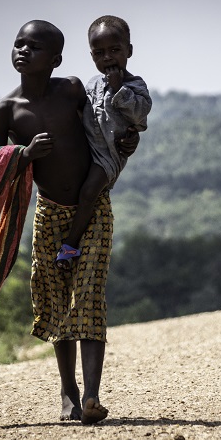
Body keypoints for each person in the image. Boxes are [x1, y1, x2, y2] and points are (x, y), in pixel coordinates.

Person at [0, 19, 137, 425]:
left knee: (87, 295)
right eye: (18, 44)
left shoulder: (71, 89)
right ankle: (68, 393)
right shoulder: (5, 111)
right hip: (50, 214)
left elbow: (104, 123)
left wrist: (129, 137)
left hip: (94, 211)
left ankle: (91, 395)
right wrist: (24, 155)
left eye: (33, 47)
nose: (22, 51)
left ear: (55, 59)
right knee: (55, 300)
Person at [55, 15, 152, 270]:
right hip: (86, 147)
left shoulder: (135, 85)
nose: (107, 58)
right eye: (99, 53)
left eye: (115, 50)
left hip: (108, 154)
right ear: (92, 56)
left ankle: (70, 245)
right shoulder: (92, 84)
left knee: (89, 192)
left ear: (129, 50)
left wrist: (119, 89)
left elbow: (140, 117)